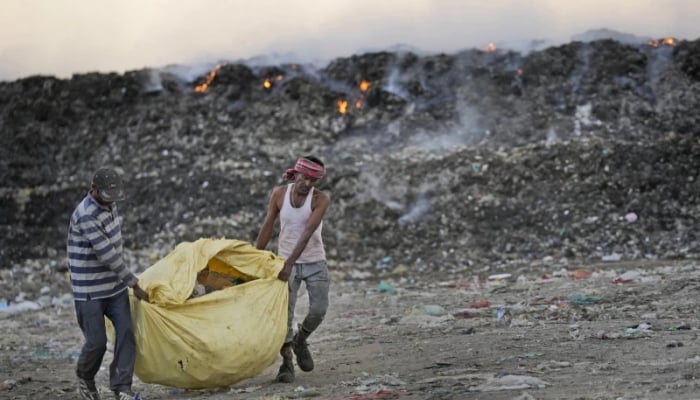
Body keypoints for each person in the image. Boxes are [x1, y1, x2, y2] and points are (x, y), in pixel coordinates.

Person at [67, 167, 149, 400]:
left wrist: (124, 283)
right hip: (89, 291)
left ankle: (122, 387)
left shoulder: (110, 204)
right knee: (97, 343)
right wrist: (134, 283)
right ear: (93, 189)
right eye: (105, 195)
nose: (111, 201)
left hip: (113, 288)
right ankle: (85, 377)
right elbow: (107, 255)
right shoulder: (85, 215)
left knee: (126, 334)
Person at [256, 156, 331, 383]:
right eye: (304, 178)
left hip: (314, 261)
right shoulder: (279, 194)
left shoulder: (320, 199)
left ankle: (301, 339)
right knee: (284, 316)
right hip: (284, 262)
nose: (307, 184)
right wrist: (255, 258)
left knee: (319, 309)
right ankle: (287, 363)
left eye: (312, 180)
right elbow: (268, 225)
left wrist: (289, 263)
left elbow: (307, 232)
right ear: (295, 174)